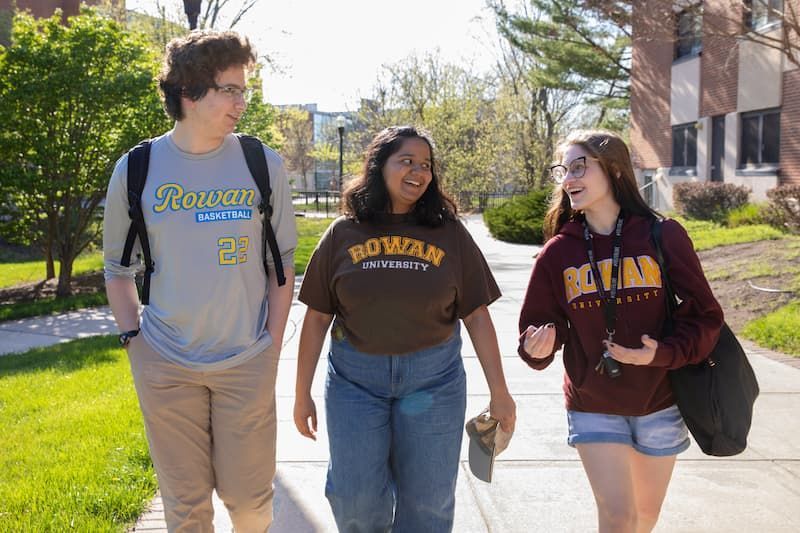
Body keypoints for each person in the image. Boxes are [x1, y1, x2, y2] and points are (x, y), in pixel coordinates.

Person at [103, 30, 296, 531]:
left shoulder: (261, 163)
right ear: (189, 92)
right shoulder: (138, 168)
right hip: (165, 362)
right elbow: (117, 269)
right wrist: (134, 342)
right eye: (230, 89)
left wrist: (270, 347)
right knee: (185, 509)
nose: (242, 102)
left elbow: (282, 265)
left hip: (245, 358)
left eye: (244, 89)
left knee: (251, 502)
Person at [293, 126, 516, 533]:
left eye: (426, 164)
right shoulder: (343, 232)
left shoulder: (449, 233)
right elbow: (317, 318)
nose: (419, 172)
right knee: (354, 499)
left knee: (428, 504)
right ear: (380, 167)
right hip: (355, 384)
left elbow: (478, 316)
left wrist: (500, 392)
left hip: (435, 382)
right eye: (407, 161)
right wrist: (300, 393)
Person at [518, 130, 723, 533]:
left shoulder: (662, 236)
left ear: (613, 170)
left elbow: (706, 317)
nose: (568, 179)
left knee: (643, 519)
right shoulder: (558, 253)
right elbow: (538, 331)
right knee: (617, 517)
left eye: (579, 167)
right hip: (592, 402)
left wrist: (660, 353)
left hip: (659, 401)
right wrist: (537, 346)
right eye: (564, 170)